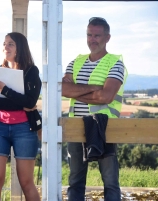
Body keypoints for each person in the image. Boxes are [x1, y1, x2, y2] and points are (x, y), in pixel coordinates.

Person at [62, 17, 128, 201]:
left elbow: (106, 96)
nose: (92, 39)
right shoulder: (76, 61)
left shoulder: (115, 63)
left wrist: (76, 91)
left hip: (104, 127)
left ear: (107, 37)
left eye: (97, 35)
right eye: (89, 35)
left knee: (110, 180)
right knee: (75, 179)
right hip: (76, 125)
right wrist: (95, 88)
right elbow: (63, 89)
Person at [0, 32, 42, 201]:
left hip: (25, 129)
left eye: (10, 44)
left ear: (20, 48)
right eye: (4, 43)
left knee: (26, 181)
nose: (6, 47)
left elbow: (31, 101)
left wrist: (5, 91)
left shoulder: (32, 71)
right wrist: (21, 103)